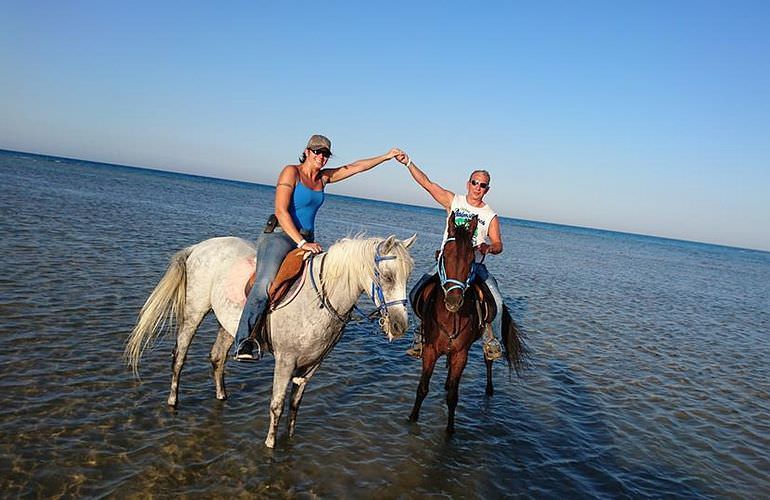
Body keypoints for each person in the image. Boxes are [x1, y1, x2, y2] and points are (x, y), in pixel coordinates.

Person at [234, 135, 403, 361]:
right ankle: (244, 341)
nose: (321, 157)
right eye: (317, 152)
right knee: (265, 283)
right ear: (307, 151)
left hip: (307, 239)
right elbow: (281, 211)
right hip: (280, 236)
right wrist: (302, 243)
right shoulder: (291, 172)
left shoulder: (323, 178)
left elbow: (355, 167)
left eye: (325, 154)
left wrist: (386, 156)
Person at [396, 153, 505, 360]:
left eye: (482, 185)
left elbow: (499, 244)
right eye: (475, 182)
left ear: (487, 189)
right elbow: (427, 184)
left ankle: (492, 340)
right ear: (468, 183)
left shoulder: (490, 215)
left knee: (497, 302)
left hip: (474, 268)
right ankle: (421, 334)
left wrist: (489, 248)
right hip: (446, 266)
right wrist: (408, 163)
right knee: (415, 293)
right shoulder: (454, 201)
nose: (478, 187)